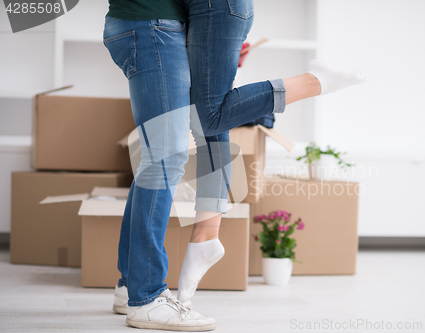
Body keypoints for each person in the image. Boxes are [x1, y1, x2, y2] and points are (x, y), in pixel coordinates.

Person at [103, 0, 366, 331]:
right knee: (170, 153)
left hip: (162, 22)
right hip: (152, 24)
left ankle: (132, 286)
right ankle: (146, 297)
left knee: (173, 148)